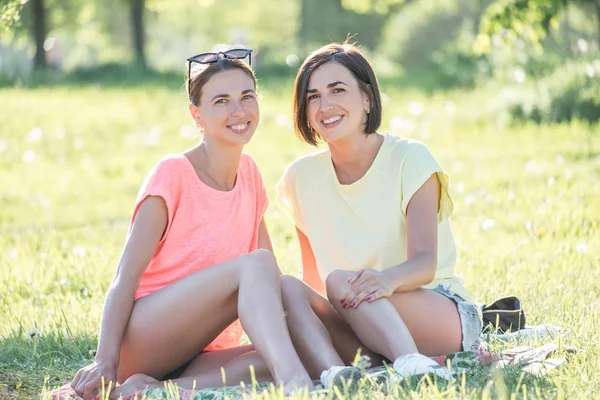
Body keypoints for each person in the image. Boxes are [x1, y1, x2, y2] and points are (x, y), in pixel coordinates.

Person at [69, 48, 313, 400]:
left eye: (247, 96)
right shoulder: (173, 174)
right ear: (196, 115)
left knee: (284, 350)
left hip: (200, 351)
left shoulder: (250, 175)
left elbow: (267, 283)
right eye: (222, 101)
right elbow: (125, 277)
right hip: (147, 336)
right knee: (261, 268)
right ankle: (294, 383)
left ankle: (153, 390)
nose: (239, 111)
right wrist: (105, 360)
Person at [275, 42, 483, 387]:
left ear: (367, 98)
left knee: (340, 281)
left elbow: (424, 263)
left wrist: (383, 282)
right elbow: (311, 278)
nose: (325, 105)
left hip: (437, 312)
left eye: (337, 90)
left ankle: (413, 365)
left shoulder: (410, 158)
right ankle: (337, 376)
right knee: (287, 288)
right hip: (357, 318)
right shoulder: (300, 177)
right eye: (313, 96)